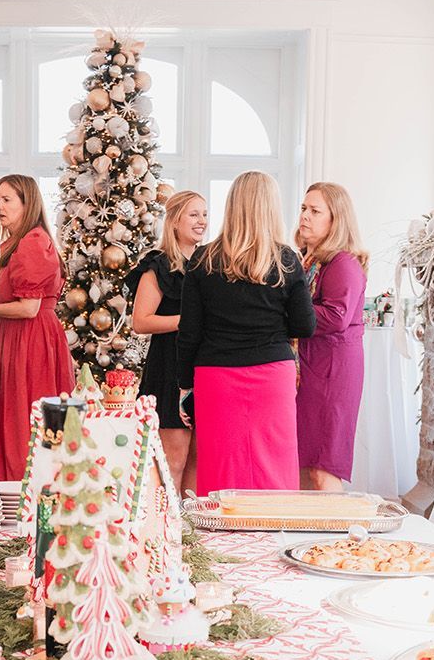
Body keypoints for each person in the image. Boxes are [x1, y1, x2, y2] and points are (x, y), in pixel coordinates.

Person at [176, 170, 315, 496]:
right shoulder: (287, 259)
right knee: (274, 469)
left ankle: (220, 545)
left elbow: (189, 331)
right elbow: (305, 325)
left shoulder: (202, 258)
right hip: (271, 375)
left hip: (216, 377)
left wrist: (185, 386)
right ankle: (274, 541)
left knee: (221, 468)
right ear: (272, 207)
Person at [0, 175, 74, 481]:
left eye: (7, 199)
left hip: (29, 341)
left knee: (22, 421)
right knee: (13, 419)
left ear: (28, 204)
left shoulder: (32, 243)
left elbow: (29, 307)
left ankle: (23, 494)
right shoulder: (19, 243)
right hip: (16, 338)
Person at [126, 189, 206, 497]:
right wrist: (189, 321)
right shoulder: (158, 265)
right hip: (169, 367)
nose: (202, 221)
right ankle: (164, 530)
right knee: (173, 458)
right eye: (194, 214)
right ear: (174, 221)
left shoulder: (206, 264)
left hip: (202, 367)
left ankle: (191, 533)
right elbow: (140, 321)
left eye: (205, 214)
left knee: (198, 459)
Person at [294, 182, 369, 490]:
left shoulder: (343, 263)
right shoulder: (307, 259)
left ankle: (332, 536)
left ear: (335, 219)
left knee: (323, 466)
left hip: (332, 371)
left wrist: (286, 316)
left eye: (315, 211)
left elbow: (337, 317)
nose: (305, 217)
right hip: (310, 367)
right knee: (303, 462)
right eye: (303, 209)